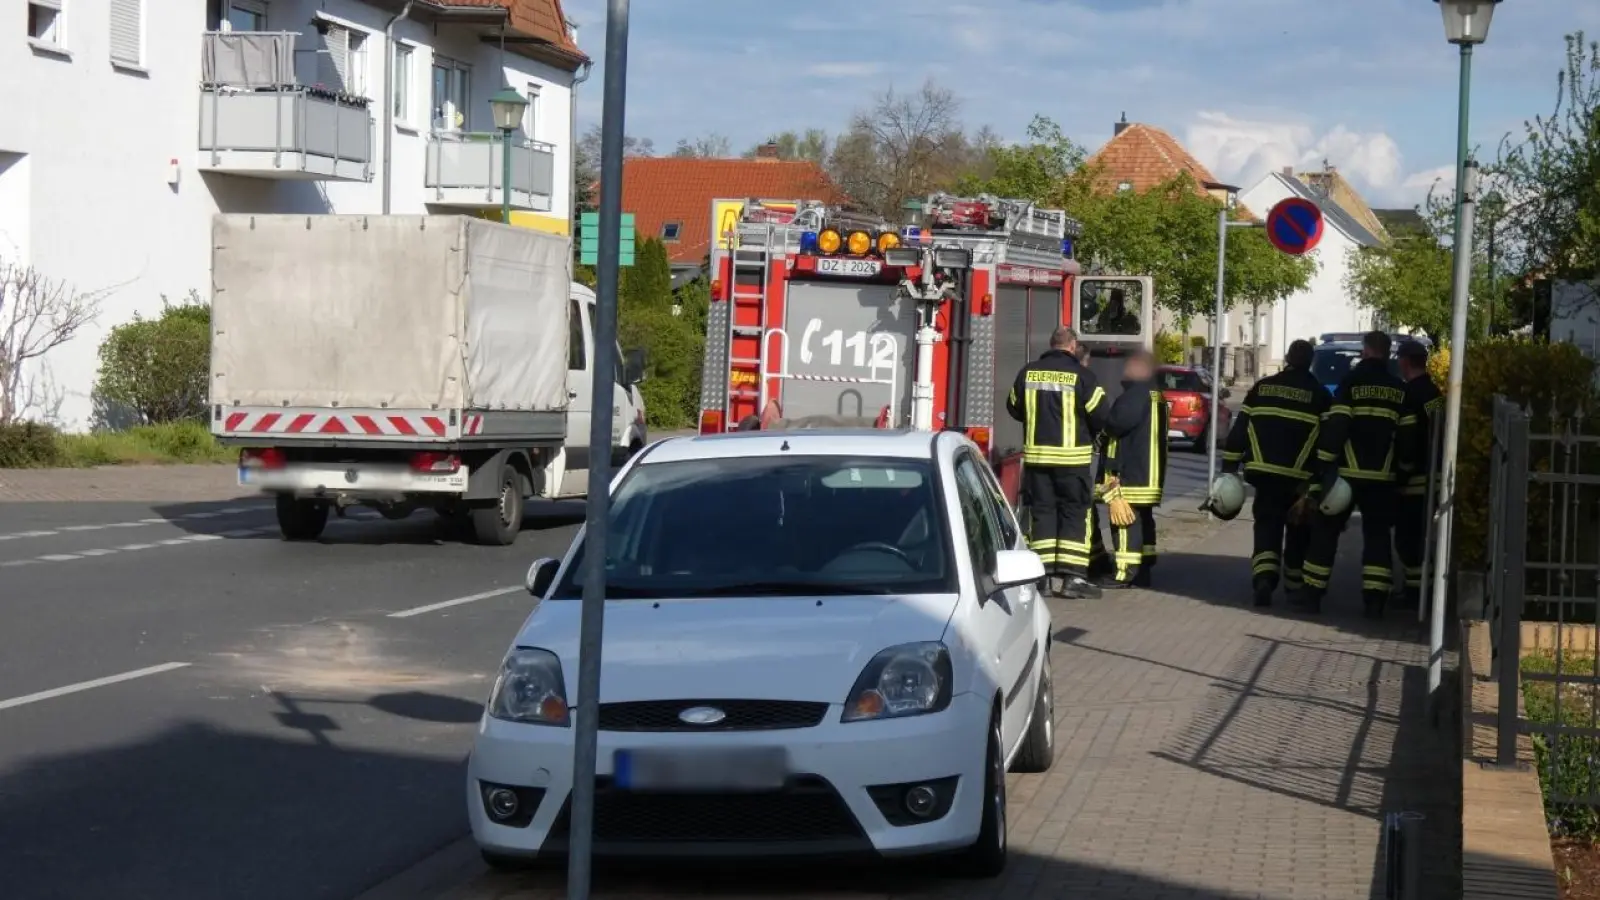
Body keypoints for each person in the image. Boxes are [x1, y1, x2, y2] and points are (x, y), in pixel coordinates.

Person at [1297, 330, 1414, 617]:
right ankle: (1375, 600)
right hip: (1382, 480)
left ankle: (1312, 595)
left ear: (1366, 351)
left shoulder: (1350, 384)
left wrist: (1323, 467)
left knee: (1326, 533)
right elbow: (1408, 437)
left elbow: (1336, 428)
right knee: (1377, 538)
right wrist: (1403, 472)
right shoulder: (1399, 389)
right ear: (1387, 353)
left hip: (1346, 477)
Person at [1220, 339, 1330, 607]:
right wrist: (1321, 478)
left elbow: (1239, 433)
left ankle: (1264, 580)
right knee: (1298, 531)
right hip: (1298, 481)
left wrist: (1229, 470)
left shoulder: (1262, 388)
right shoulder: (1319, 394)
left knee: (1267, 527)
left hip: (1265, 477)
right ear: (1311, 361)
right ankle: (1294, 588)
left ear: (1287, 358)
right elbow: (1327, 442)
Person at [1007, 326, 1111, 599]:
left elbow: (1014, 407)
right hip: (1072, 461)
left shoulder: (1027, 372)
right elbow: (1101, 415)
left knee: (1041, 514)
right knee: (1074, 514)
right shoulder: (1083, 376)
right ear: (1073, 345)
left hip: (1038, 460)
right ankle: (1073, 579)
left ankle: (1039, 577)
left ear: (1052, 344)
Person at [1100, 349, 1167, 587]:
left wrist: (1105, 424)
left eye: (1129, 366)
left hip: (1132, 473)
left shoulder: (1136, 394)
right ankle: (1144, 569)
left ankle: (1124, 573)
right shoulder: (1155, 394)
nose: (1125, 371)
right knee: (1145, 522)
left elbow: (1117, 422)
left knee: (1125, 521)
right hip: (1150, 473)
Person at [1394, 340, 1444, 611]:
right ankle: (1422, 588)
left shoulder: (1410, 394)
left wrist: (1401, 474)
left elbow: (1408, 439)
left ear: (1404, 361)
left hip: (1415, 480)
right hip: (1433, 475)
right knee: (1421, 537)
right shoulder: (1433, 392)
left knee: (1407, 538)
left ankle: (1414, 593)